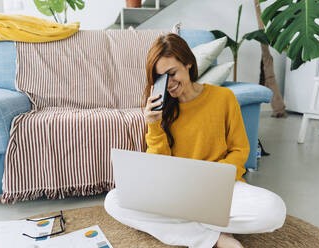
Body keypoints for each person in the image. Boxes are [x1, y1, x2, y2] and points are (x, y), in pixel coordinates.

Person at [105, 33, 286, 248]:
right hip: (175, 192)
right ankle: (212, 237)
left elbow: (239, 149)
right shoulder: (162, 110)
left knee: (274, 210)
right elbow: (158, 165)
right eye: (160, 78)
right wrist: (154, 125)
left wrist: (214, 179)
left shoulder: (223, 98)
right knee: (114, 200)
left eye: (172, 73)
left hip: (220, 186)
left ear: (188, 64)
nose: (169, 84)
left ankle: (182, 226)